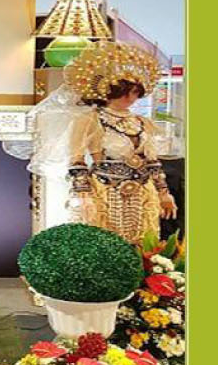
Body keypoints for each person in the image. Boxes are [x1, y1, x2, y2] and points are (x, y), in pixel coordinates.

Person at [59, 42, 177, 243]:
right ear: (110, 92)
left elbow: (152, 162)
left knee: (143, 242)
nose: (131, 98)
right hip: (105, 189)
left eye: (136, 93)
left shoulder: (141, 122)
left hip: (143, 191)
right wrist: (82, 194)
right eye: (126, 92)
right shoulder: (89, 120)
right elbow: (76, 160)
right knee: (106, 242)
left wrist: (164, 193)